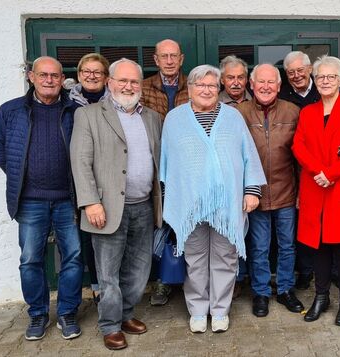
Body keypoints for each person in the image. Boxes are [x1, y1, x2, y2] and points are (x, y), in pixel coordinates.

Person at [160, 65, 266, 333]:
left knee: (226, 257)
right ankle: (197, 309)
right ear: (190, 89)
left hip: (227, 202)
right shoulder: (174, 118)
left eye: (211, 85)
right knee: (194, 258)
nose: (206, 90)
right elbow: (167, 163)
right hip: (190, 203)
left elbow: (248, 154)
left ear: (218, 88)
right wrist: (169, 196)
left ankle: (220, 310)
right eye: (200, 85)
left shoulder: (232, 117)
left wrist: (251, 190)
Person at [71, 58, 163, 350]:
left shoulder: (151, 117)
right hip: (106, 209)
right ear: (110, 83)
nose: (128, 86)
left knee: (138, 269)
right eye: (122, 80)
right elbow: (80, 161)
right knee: (108, 273)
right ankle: (109, 325)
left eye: (134, 81)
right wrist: (90, 203)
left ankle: (126, 315)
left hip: (144, 206)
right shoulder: (88, 115)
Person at [0, 56, 83, 340]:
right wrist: (23, 176)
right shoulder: (11, 110)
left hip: (67, 198)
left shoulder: (74, 110)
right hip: (30, 200)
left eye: (55, 75)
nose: (49, 80)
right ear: (31, 77)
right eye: (43, 75)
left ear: (62, 79)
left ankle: (67, 313)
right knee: (30, 259)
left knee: (74, 256)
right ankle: (38, 314)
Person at [292, 55, 340, 326]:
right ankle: (321, 297)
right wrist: (317, 172)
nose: (325, 81)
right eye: (320, 77)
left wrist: (332, 173)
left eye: (330, 76)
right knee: (319, 248)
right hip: (315, 188)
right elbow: (298, 146)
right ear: (314, 80)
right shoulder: (307, 112)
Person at [237, 64, 303, 318]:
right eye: (260, 82)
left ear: (279, 86)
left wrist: (300, 191)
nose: (265, 87)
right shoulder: (238, 112)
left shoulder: (293, 111)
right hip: (254, 195)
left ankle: (286, 289)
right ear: (251, 85)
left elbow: (300, 156)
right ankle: (261, 292)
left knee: (287, 245)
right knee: (259, 247)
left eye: (271, 82)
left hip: (286, 190)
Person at [140, 38, 189, 306]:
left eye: (174, 56)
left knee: (187, 224)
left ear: (181, 59)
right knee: (159, 226)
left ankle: (189, 278)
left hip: (186, 168)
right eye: (164, 56)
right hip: (154, 168)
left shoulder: (192, 86)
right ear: (156, 60)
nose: (169, 61)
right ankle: (161, 281)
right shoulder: (144, 87)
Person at [68, 52, 111, 304]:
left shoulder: (114, 104)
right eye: (87, 71)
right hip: (74, 181)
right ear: (79, 74)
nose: (92, 76)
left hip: (105, 179)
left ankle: (109, 288)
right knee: (83, 239)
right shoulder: (67, 104)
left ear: (106, 77)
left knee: (105, 235)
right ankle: (95, 286)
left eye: (97, 72)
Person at [279, 50, 321, 290]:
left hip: (326, 171)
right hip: (295, 170)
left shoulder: (324, 92)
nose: (296, 76)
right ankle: (305, 271)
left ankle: (332, 270)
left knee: (327, 223)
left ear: (310, 70)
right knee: (302, 226)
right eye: (291, 72)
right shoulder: (283, 97)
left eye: (300, 70)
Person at [218, 55, 252, 299]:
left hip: (252, 179)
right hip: (224, 180)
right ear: (222, 79)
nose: (236, 82)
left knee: (254, 235)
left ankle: (248, 277)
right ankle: (233, 280)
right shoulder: (213, 103)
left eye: (241, 77)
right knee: (228, 234)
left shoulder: (258, 100)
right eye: (231, 77)